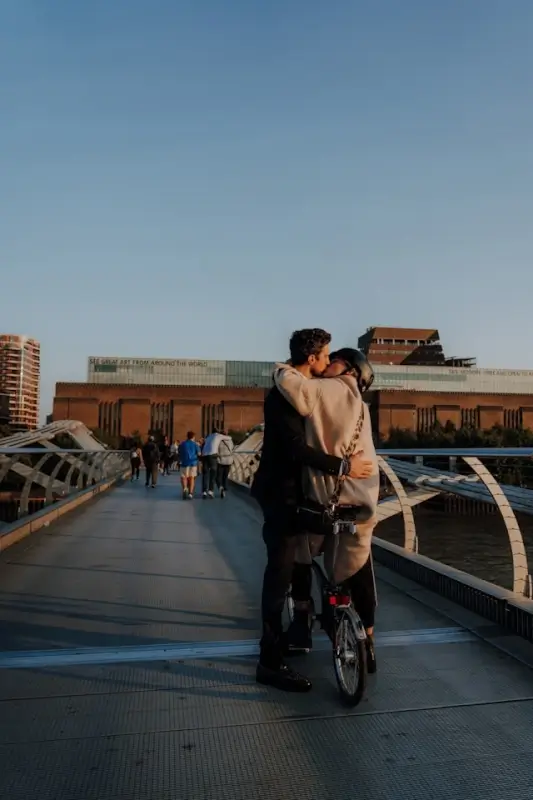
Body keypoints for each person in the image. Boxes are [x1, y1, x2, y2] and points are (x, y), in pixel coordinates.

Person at [252, 329, 375, 692]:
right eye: (323, 357)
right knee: (280, 573)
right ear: (311, 358)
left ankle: (301, 627)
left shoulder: (312, 392)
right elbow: (294, 449)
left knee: (297, 564)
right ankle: (269, 660)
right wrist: (342, 467)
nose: (325, 364)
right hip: (282, 497)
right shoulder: (283, 395)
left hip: (302, 497)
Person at [178, 431, 201, 499]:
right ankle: (190, 493)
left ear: (187, 436)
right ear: (193, 437)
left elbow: (179, 452)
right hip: (193, 463)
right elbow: (199, 454)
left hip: (184, 463)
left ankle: (185, 488)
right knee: (192, 478)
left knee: (184, 477)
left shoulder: (182, 444)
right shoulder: (195, 444)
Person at [200, 427, 221, 498]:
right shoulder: (217, 436)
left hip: (205, 456)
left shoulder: (208, 438)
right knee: (213, 473)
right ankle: (211, 491)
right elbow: (229, 438)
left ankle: (204, 492)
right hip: (212, 456)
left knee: (205, 474)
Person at [216, 429, 235, 498]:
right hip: (229, 460)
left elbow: (216, 450)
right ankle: (224, 487)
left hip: (220, 460)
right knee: (225, 475)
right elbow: (232, 448)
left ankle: (221, 487)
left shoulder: (218, 441)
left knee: (218, 476)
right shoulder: (230, 440)